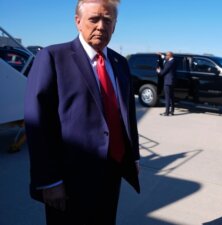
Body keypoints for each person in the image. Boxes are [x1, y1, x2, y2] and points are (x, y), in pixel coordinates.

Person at [24, 1, 140, 224]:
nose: (101, 26)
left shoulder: (120, 63)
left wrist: (132, 155)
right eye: (93, 19)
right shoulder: (52, 58)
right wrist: (49, 181)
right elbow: (37, 123)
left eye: (108, 20)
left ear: (115, 25)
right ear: (78, 22)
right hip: (70, 179)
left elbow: (127, 114)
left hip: (112, 171)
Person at [158, 51, 177, 116]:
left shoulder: (169, 63)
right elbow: (166, 59)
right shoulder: (174, 61)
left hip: (167, 82)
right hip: (172, 81)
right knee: (172, 97)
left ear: (170, 56)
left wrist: (159, 71)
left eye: (166, 56)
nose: (165, 57)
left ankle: (166, 112)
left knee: (167, 98)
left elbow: (163, 72)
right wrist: (162, 56)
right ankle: (172, 111)